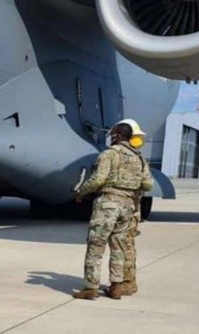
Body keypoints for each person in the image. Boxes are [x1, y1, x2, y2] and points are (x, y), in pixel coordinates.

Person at [72, 122, 153, 300]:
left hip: (108, 203)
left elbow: (97, 179)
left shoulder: (109, 154)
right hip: (128, 206)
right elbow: (148, 184)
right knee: (119, 246)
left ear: (116, 135)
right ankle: (116, 286)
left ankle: (90, 287)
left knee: (96, 244)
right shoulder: (139, 158)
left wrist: (81, 192)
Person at [118, 118, 147, 296]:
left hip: (124, 208)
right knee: (127, 245)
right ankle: (127, 281)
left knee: (124, 245)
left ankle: (127, 282)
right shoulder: (140, 159)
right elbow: (148, 184)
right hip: (132, 208)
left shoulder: (118, 156)